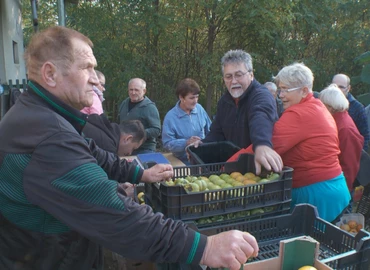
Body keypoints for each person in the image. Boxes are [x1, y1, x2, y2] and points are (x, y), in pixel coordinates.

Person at [0, 26, 258, 270]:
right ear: (50, 74)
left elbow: (91, 152)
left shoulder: (41, 116)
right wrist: (204, 246)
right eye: (86, 68)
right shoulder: (47, 135)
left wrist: (140, 174)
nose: (95, 79)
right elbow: (111, 211)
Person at [229, 63, 351, 222]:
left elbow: (265, 148)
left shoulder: (300, 114)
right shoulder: (316, 106)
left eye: (286, 89)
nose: (280, 95)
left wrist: (225, 167)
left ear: (304, 91)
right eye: (280, 89)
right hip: (332, 189)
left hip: (317, 195)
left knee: (304, 244)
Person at [194, 49, 283, 175]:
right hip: (233, 171)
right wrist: (203, 144)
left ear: (251, 75)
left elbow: (260, 117)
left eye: (238, 75)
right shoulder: (224, 102)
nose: (233, 81)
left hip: (258, 169)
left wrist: (262, 145)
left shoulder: (261, 96)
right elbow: (217, 132)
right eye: (228, 76)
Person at [319, 84, 363, 192]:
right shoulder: (337, 121)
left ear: (330, 107)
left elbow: (349, 164)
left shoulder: (345, 128)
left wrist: (343, 190)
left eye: (321, 105)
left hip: (340, 187)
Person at [162, 78, 212, 164]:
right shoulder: (171, 117)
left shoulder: (200, 109)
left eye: (197, 97)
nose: (195, 101)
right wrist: (186, 142)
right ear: (181, 97)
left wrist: (205, 142)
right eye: (192, 98)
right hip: (183, 161)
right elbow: (167, 144)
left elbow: (211, 131)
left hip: (204, 158)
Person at [118, 78, 161, 154]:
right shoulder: (124, 104)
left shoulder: (149, 107)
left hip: (144, 149)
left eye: (136, 90)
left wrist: (138, 134)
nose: (133, 92)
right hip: (124, 148)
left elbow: (156, 130)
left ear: (144, 91)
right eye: (131, 90)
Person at [332, 74, 370, 151]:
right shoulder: (325, 103)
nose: (337, 89)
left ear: (348, 88)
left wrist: (359, 159)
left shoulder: (357, 108)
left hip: (350, 153)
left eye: (341, 87)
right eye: (334, 86)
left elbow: (365, 136)